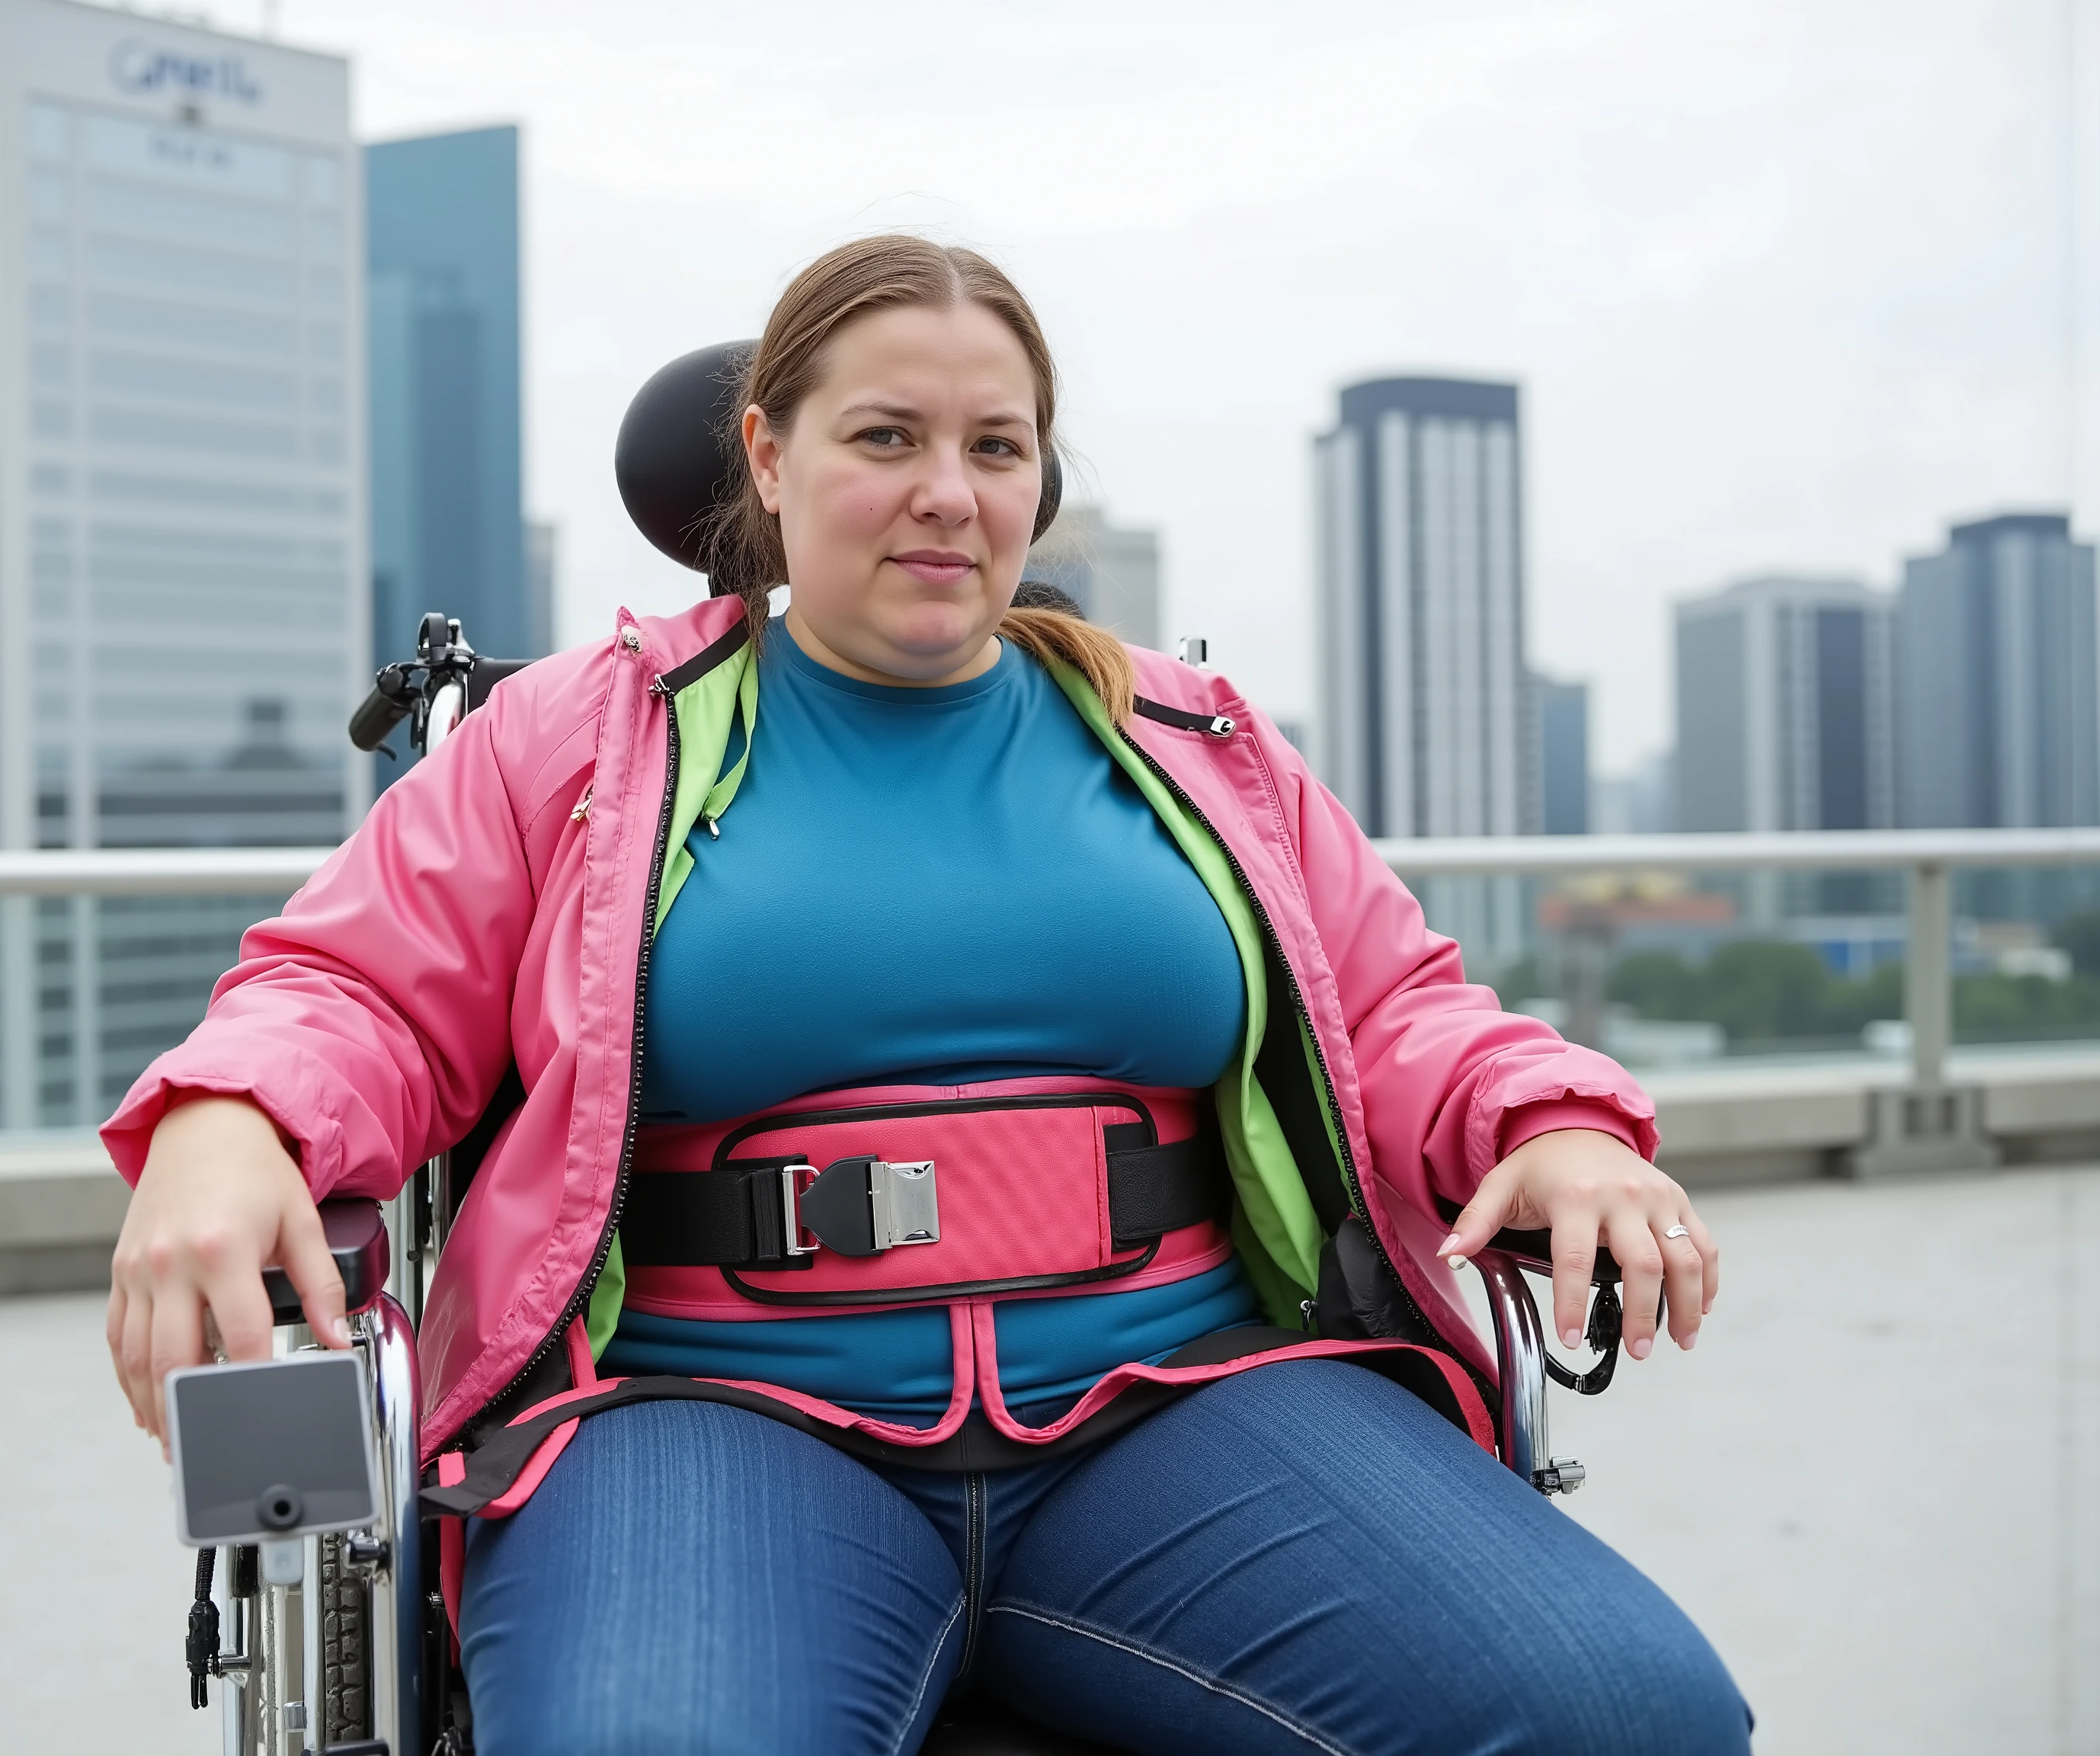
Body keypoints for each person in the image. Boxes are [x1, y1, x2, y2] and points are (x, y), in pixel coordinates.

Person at [104, 235, 1751, 1755]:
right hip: (711, 1411)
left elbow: (1394, 1010)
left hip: (1173, 1400)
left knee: (1628, 1717)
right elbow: (352, 985)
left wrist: (1557, 1127)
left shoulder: (1189, 741)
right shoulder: (591, 738)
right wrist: (230, 1120)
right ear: (768, 456)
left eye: (996, 447)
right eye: (886, 438)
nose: (947, 494)